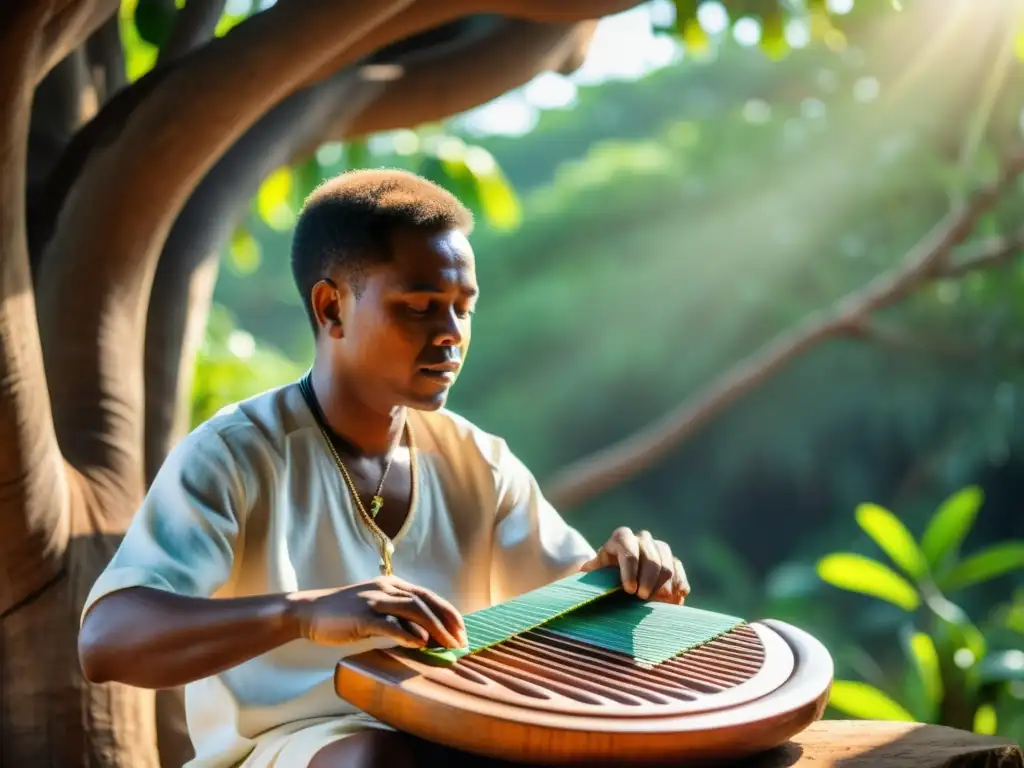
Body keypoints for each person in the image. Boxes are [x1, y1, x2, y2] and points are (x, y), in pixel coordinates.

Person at [78, 169, 690, 768]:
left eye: (462, 308)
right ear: (331, 308)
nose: (450, 334)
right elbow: (107, 641)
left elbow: (571, 613)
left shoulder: (478, 459)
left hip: (457, 735)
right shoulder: (235, 455)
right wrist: (304, 613)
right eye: (421, 306)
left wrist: (624, 577)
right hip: (288, 750)